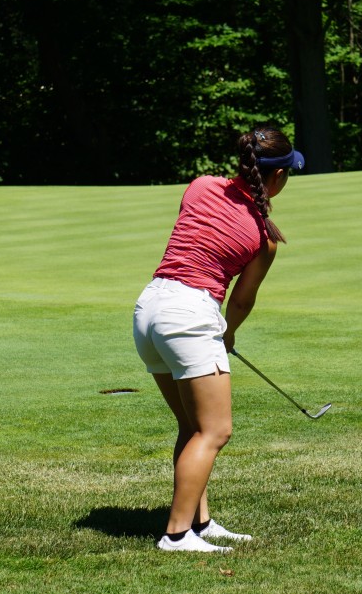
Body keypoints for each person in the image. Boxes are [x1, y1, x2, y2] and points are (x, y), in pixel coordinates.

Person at [132, 126, 304, 553]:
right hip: (189, 316)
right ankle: (176, 535)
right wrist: (226, 335)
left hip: (149, 308)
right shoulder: (265, 239)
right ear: (278, 177)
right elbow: (242, 303)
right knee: (215, 430)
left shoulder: (201, 185)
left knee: (193, 427)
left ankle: (200, 523)